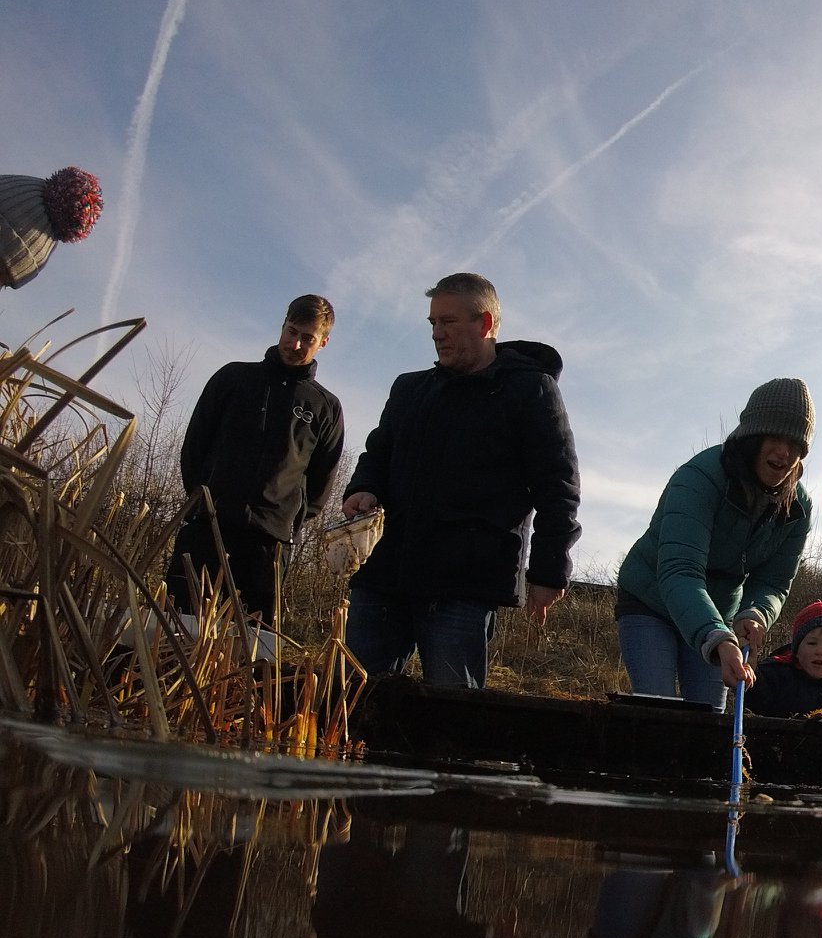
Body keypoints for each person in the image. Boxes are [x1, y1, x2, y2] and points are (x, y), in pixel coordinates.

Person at [341, 273, 581, 688]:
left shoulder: (530, 391)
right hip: (383, 574)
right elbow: (377, 454)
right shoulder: (409, 388)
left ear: (485, 324)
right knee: (347, 702)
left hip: (465, 583)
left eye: (448, 322)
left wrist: (547, 570)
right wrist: (363, 488)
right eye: (432, 323)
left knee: (453, 715)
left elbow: (558, 486)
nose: (437, 334)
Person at [614, 379, 815, 711]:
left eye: (795, 444)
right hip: (651, 600)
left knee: (709, 718)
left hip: (720, 614)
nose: (784, 453)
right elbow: (680, 571)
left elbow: (774, 582)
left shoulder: (797, 509)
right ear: (753, 436)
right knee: (657, 709)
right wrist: (718, 638)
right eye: (775, 438)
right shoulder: (698, 479)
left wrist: (755, 613)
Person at [166, 294, 345, 621]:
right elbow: (194, 447)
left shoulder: (325, 407)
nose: (295, 344)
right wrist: (201, 500)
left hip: (269, 547)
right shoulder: (233, 378)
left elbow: (321, 481)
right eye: (292, 332)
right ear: (282, 326)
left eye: (308, 338)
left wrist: (286, 521)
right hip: (207, 528)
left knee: (248, 650)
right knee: (174, 630)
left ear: (324, 342)